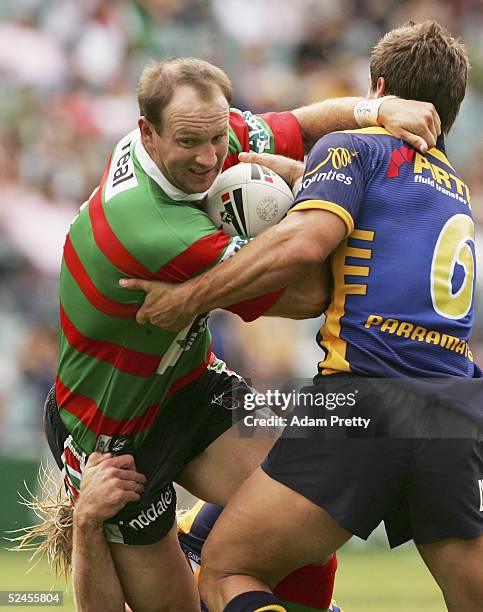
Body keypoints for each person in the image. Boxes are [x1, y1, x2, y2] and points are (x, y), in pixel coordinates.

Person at [44, 55, 440, 611]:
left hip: (191, 385)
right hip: (116, 437)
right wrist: (322, 200)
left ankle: (213, 549)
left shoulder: (202, 133)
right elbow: (309, 298)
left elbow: (300, 125)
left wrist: (373, 109)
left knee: (303, 515)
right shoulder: (154, 228)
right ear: (146, 133)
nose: (209, 159)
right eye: (189, 144)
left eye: (215, 137)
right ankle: (125, 528)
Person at [120, 23, 482, 612]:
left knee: (226, 568)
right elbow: (361, 232)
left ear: (381, 88)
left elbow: (303, 247)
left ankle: (196, 525)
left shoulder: (355, 147)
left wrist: (190, 299)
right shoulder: (452, 188)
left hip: (363, 405)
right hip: (452, 416)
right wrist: (288, 171)